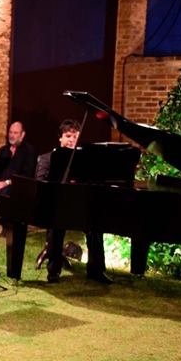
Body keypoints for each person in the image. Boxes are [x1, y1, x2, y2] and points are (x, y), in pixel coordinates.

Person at [35, 119, 110, 284]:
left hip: (79, 205)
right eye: (68, 136)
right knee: (56, 226)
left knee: (96, 226)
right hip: (57, 205)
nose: (71, 140)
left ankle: (96, 270)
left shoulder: (85, 159)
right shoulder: (47, 158)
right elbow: (40, 183)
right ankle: (53, 271)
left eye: (75, 137)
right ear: (60, 138)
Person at [0, 121, 37, 279]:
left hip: (17, 189)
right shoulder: (3, 151)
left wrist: (6, 182)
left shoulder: (29, 151)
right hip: (0, 187)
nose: (12, 135)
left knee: (7, 192)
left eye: (15, 133)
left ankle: (7, 222)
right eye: (10, 132)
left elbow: (27, 175)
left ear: (22, 134)